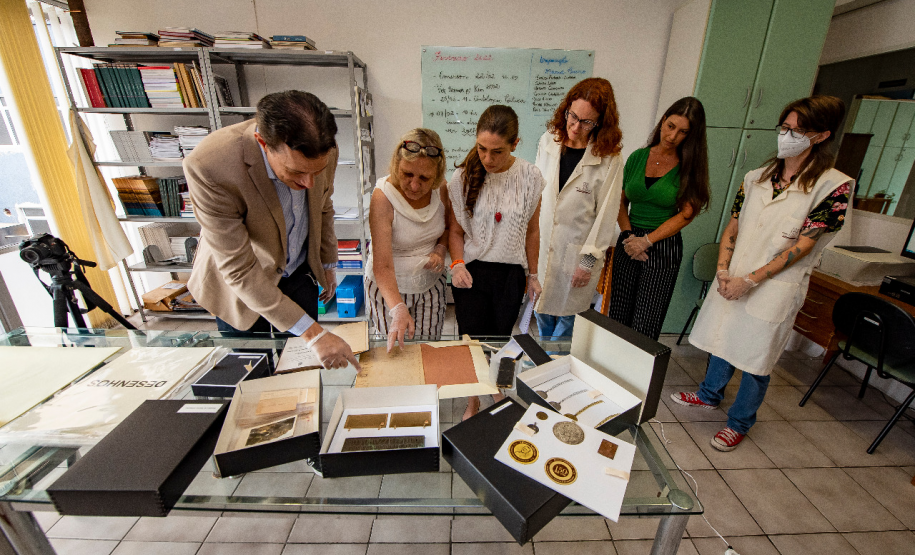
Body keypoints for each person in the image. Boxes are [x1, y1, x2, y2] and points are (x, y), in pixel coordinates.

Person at [672, 95, 853, 452]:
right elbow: (733, 227)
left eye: (797, 131)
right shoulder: (756, 177)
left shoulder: (834, 187)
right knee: (723, 340)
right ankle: (709, 395)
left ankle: (740, 422)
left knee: (757, 356)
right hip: (733, 276)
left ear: (821, 136)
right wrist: (724, 270)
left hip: (774, 287)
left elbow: (803, 245)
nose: (786, 135)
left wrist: (750, 280)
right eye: (784, 127)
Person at [185, 90, 360, 370]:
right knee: (249, 375)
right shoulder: (209, 165)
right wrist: (315, 334)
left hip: (298, 274)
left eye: (316, 172)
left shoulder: (324, 149)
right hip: (240, 287)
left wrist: (327, 263)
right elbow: (239, 271)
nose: (308, 183)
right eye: (295, 173)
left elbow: (324, 206)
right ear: (263, 143)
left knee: (300, 373)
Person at [447, 105, 545, 419]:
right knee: (472, 342)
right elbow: (456, 231)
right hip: (472, 273)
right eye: (482, 149)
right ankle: (474, 400)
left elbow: (532, 230)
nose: (488, 159)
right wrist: (457, 263)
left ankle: (498, 390)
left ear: (516, 143)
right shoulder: (462, 176)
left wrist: (533, 274)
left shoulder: (530, 176)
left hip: (510, 275)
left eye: (497, 151)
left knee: (501, 342)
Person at [609, 97, 710, 340]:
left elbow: (687, 215)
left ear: (691, 135)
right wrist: (628, 236)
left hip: (662, 245)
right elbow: (620, 201)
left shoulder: (689, 166)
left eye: (683, 132)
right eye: (671, 126)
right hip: (628, 239)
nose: (673, 136)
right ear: (663, 121)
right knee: (618, 317)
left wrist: (647, 241)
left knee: (646, 322)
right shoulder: (637, 157)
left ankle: (638, 376)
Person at [534, 78, 625, 338]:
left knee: (566, 329)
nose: (575, 126)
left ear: (601, 122)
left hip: (578, 254)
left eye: (587, 122)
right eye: (572, 116)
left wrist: (586, 263)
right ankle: (544, 364)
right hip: (542, 249)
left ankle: (558, 369)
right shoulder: (548, 141)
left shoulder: (609, 158)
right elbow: (537, 193)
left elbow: (606, 216)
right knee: (541, 315)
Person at [365, 129, 450, 352]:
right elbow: (382, 264)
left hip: (430, 283)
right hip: (389, 287)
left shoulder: (441, 189)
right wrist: (398, 309)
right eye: (407, 174)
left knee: (427, 349)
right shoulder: (383, 196)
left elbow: (448, 227)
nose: (414, 185)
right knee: (394, 352)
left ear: (437, 175)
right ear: (396, 165)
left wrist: (440, 250)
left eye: (424, 178)